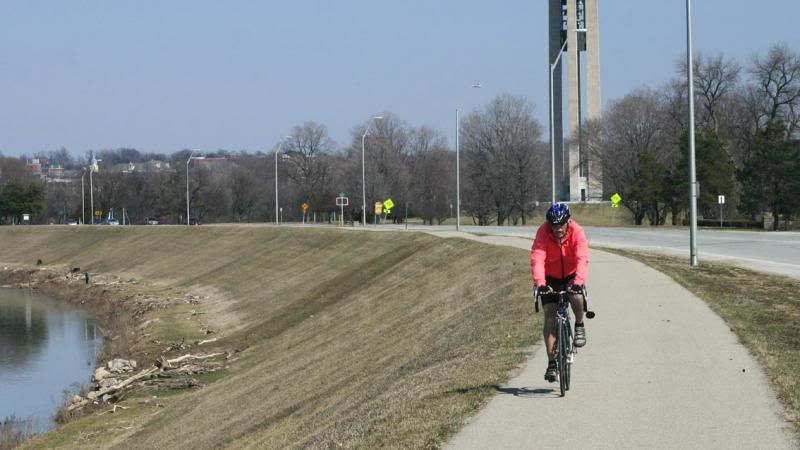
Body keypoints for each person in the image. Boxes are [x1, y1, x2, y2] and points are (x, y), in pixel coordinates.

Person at [530, 202, 589, 383]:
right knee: (550, 314)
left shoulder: (577, 232)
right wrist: (540, 283)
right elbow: (537, 258)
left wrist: (578, 282)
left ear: (568, 221)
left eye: (561, 224)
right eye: (553, 225)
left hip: (571, 275)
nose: (557, 229)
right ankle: (552, 363)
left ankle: (579, 325)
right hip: (549, 277)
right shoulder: (543, 233)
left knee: (575, 295)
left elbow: (582, 257)